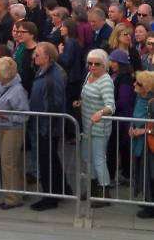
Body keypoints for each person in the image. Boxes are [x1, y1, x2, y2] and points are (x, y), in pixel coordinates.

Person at [29, 42, 68, 211]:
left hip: (47, 126)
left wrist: (47, 128)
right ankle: (63, 189)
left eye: (37, 54)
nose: (34, 57)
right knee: (52, 159)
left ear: (48, 57)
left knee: (47, 161)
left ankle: (50, 197)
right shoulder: (44, 71)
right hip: (42, 123)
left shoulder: (53, 76)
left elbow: (54, 104)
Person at [75, 49, 115, 207]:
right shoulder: (89, 75)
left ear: (104, 65)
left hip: (99, 128)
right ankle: (92, 189)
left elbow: (111, 106)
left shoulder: (105, 81)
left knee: (98, 160)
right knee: (87, 158)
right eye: (89, 63)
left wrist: (100, 112)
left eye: (96, 64)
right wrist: (80, 102)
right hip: (86, 126)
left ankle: (104, 193)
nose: (92, 66)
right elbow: (86, 94)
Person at [0, 57, 29, 210]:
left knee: (8, 162)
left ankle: (12, 198)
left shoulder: (18, 91)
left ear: (3, 74)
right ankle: (19, 190)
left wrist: (7, 115)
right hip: (1, 125)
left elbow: (24, 115)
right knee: (11, 161)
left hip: (13, 128)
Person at [106, 49, 135, 185]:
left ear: (120, 63)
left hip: (121, 118)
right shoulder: (117, 75)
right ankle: (126, 175)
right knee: (121, 147)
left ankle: (112, 177)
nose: (111, 63)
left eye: (113, 61)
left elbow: (123, 100)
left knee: (114, 147)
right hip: (118, 116)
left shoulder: (125, 78)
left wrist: (108, 107)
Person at [129, 70, 154, 218]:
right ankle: (148, 200)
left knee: (149, 173)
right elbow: (135, 115)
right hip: (141, 142)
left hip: (149, 144)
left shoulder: (151, 102)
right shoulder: (140, 98)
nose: (134, 84)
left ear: (147, 87)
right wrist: (132, 127)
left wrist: (143, 131)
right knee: (143, 171)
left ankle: (151, 206)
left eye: (138, 83)